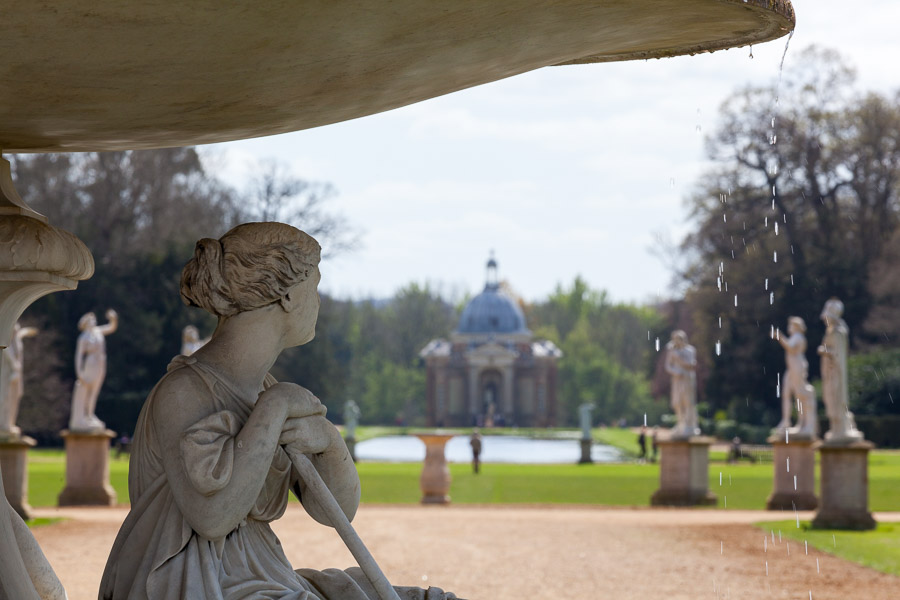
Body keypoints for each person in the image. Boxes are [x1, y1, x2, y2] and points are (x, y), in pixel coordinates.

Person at [100, 223, 456, 600]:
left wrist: (329, 443)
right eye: (314, 286)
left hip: (263, 575)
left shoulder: (264, 388)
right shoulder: (185, 392)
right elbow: (213, 518)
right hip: (194, 583)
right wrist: (275, 409)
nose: (318, 301)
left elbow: (336, 511)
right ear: (287, 296)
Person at [818, 298, 863, 442]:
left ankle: (841, 429)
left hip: (835, 372)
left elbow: (837, 355)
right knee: (831, 399)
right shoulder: (832, 331)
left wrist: (824, 351)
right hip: (830, 372)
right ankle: (837, 429)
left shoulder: (838, 332)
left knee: (836, 398)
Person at [69, 309, 118, 432]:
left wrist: (113, 318)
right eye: (90, 320)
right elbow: (78, 356)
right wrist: (79, 373)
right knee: (87, 390)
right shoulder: (83, 337)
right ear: (85, 323)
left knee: (95, 391)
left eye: (94, 319)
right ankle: (84, 416)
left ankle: (90, 414)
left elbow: (112, 327)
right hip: (89, 365)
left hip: (100, 364)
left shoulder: (97, 331)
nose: (93, 321)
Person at [775, 316, 817, 437]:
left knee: (800, 394)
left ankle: (805, 424)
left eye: (791, 325)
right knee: (786, 393)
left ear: (796, 327)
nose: (789, 327)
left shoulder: (798, 337)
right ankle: (786, 421)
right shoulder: (795, 337)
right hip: (791, 369)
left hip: (797, 367)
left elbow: (791, 347)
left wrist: (780, 336)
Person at [0, 322, 38, 438]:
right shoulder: (7, 339)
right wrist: (14, 364)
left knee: (15, 397)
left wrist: (27, 331)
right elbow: (6, 349)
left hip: (16, 374)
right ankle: (4, 424)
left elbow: (19, 334)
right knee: (5, 397)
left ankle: (10, 423)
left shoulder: (16, 338)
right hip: (8, 372)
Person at [664, 330, 699, 438]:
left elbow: (691, 364)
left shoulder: (690, 350)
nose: (676, 341)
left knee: (688, 402)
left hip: (687, 378)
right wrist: (675, 372)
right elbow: (668, 366)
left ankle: (689, 425)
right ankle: (680, 423)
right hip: (677, 379)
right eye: (674, 339)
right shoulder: (672, 352)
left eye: (678, 339)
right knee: (676, 402)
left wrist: (678, 358)